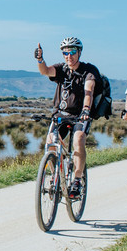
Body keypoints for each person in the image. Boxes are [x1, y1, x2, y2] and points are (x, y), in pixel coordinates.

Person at [34, 36, 103, 199]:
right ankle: (55, 177)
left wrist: (86, 110)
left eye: (72, 52)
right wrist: (40, 59)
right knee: (51, 142)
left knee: (78, 139)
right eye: (65, 53)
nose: (69, 56)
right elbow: (45, 71)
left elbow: (89, 90)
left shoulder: (89, 70)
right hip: (60, 115)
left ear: (79, 52)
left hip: (80, 116)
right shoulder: (61, 69)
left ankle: (77, 180)